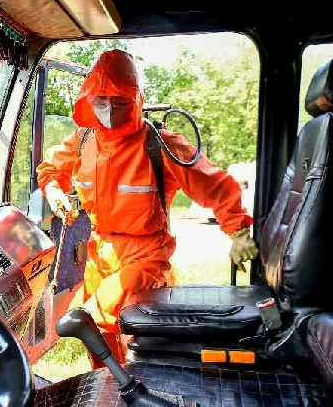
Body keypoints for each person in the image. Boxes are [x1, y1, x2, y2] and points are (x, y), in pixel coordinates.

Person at [36, 49, 258, 365]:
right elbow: (51, 168)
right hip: (100, 253)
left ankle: (143, 395)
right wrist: (54, 190)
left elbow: (215, 185)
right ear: (88, 99)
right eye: (101, 100)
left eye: (120, 101)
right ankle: (107, 397)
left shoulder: (160, 144)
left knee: (104, 324)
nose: (109, 109)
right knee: (99, 341)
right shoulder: (83, 140)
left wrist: (238, 231)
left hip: (146, 256)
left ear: (137, 100)